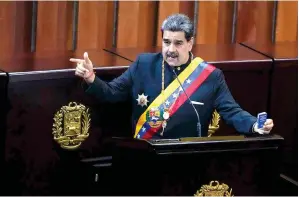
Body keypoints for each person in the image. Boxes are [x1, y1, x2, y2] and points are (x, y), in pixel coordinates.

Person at [70, 13, 274, 139]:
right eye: (166, 42)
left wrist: (255, 125)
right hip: (146, 153)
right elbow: (112, 92)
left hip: (187, 158)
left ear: (190, 43)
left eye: (178, 43)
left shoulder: (210, 76)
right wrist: (91, 78)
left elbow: (232, 111)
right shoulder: (144, 64)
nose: (170, 50)